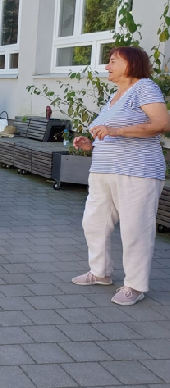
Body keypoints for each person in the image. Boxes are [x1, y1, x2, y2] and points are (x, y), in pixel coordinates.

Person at [72, 46, 170, 305]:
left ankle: (135, 286)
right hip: (103, 172)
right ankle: (100, 272)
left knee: (135, 229)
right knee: (93, 223)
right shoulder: (115, 96)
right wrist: (91, 145)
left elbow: (162, 123)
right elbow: (109, 133)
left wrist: (116, 131)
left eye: (113, 61)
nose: (107, 66)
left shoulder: (144, 87)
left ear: (131, 63)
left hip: (137, 172)